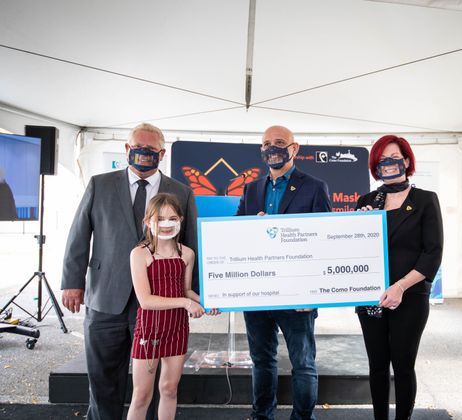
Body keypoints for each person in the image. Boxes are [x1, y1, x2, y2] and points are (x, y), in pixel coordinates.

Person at [61, 122, 198, 420]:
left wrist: (194, 296)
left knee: (148, 383)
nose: (143, 153)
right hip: (105, 297)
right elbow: (79, 235)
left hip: (157, 303)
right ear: (126, 149)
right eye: (137, 147)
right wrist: (72, 283)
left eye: (150, 150)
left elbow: (190, 247)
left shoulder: (182, 192)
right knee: (102, 376)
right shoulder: (100, 184)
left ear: (161, 153)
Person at [236, 125, 332, 420]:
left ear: (294, 148)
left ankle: (303, 418)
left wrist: (314, 292)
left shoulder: (314, 187)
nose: (272, 148)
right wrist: (254, 228)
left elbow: (326, 241)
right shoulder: (252, 188)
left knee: (303, 363)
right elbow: (236, 234)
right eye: (266, 143)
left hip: (298, 294)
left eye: (279, 142)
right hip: (259, 292)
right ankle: (261, 415)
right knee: (261, 361)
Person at [355, 135, 443, 420]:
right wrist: (359, 226)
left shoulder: (425, 200)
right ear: (375, 167)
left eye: (394, 157)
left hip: (410, 296)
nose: (389, 164)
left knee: (403, 365)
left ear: (406, 161)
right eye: (382, 160)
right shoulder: (367, 201)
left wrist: (401, 286)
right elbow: (351, 249)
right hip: (371, 297)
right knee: (377, 365)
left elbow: (433, 253)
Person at [127, 193, 218, 420]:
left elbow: (185, 290)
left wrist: (208, 302)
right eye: (160, 219)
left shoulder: (187, 253)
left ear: (181, 219)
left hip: (177, 328)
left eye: (172, 218)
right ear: (148, 222)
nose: (166, 224)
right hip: (149, 330)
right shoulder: (140, 254)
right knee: (141, 395)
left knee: (169, 389)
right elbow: (145, 300)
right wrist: (186, 303)